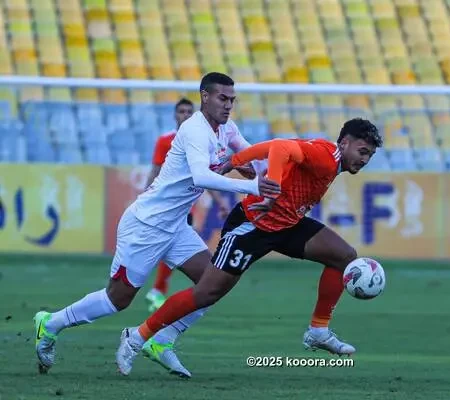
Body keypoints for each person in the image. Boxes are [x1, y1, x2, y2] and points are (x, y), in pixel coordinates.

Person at [33, 72, 279, 377]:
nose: (228, 105)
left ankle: (162, 340)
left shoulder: (226, 128)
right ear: (205, 96)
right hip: (146, 225)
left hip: (175, 227)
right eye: (222, 98)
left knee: (214, 284)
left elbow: (250, 152)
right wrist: (255, 188)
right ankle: (51, 323)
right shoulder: (194, 130)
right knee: (117, 299)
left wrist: (271, 173)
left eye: (232, 100)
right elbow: (201, 176)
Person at [115, 118, 383, 376]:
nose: (364, 159)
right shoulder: (326, 157)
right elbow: (279, 147)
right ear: (345, 142)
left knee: (344, 256)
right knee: (207, 292)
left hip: (287, 224)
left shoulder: (325, 155)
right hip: (253, 225)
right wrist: (271, 189)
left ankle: (318, 330)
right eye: (362, 151)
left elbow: (274, 145)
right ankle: (137, 337)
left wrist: (234, 160)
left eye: (369, 155)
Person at [145, 97, 230, 312]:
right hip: (164, 206)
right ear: (175, 115)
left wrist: (219, 201)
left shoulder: (199, 141)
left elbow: (202, 175)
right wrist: (146, 195)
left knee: (171, 247)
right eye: (181, 111)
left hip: (186, 208)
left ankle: (158, 290)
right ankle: (157, 290)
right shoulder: (165, 141)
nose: (184, 115)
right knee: (166, 247)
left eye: (188, 112)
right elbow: (155, 170)